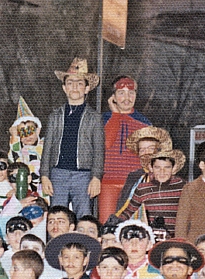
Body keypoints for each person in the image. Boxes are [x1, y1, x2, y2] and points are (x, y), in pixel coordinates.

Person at [42, 58, 104, 218]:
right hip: (58, 173)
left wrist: (96, 177)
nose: (74, 87)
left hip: (83, 175)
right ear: (64, 88)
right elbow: (47, 148)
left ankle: (84, 243)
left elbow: (98, 150)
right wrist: (45, 175)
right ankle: (56, 243)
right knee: (57, 217)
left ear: (87, 88)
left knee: (84, 215)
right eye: (70, 83)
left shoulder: (94, 117)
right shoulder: (55, 116)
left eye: (79, 83)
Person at [101, 75, 151, 223]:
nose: (127, 98)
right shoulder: (103, 119)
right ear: (113, 97)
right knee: (106, 224)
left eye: (131, 93)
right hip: (108, 181)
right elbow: (106, 143)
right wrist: (115, 115)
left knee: (132, 225)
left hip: (134, 182)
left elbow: (148, 157)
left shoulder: (145, 123)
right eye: (121, 93)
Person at [110, 148, 187, 237]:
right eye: (157, 167)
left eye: (167, 167)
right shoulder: (143, 188)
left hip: (176, 237)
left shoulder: (183, 186)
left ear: (174, 168)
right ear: (151, 168)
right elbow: (129, 211)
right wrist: (114, 224)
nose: (162, 172)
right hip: (151, 237)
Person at [8, 97, 45, 199]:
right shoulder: (20, 151)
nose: (28, 136)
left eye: (30, 131)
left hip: (45, 187)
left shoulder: (44, 145)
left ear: (37, 130)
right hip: (28, 190)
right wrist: (14, 137)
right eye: (22, 133)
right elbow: (13, 160)